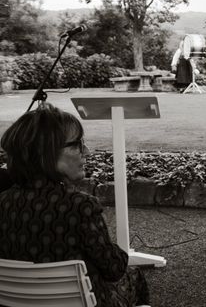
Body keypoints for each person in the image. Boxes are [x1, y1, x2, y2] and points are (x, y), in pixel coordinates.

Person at [0, 104, 149, 307]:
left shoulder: (3, 202)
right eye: (76, 144)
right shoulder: (80, 206)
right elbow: (114, 269)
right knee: (134, 277)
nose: (86, 151)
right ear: (46, 153)